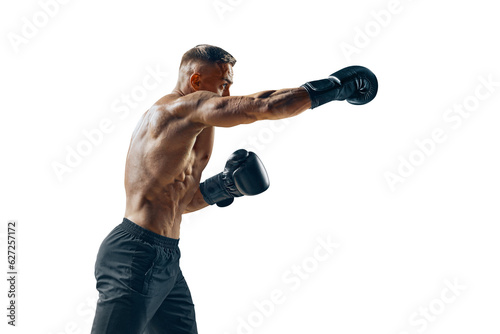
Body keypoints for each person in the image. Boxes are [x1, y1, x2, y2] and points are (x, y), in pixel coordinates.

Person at [91, 44, 378, 334]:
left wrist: (224, 186)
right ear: (196, 81)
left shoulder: (193, 127)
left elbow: (183, 202)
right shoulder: (178, 108)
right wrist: (336, 88)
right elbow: (262, 106)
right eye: (223, 84)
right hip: (136, 255)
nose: (227, 95)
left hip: (165, 258)